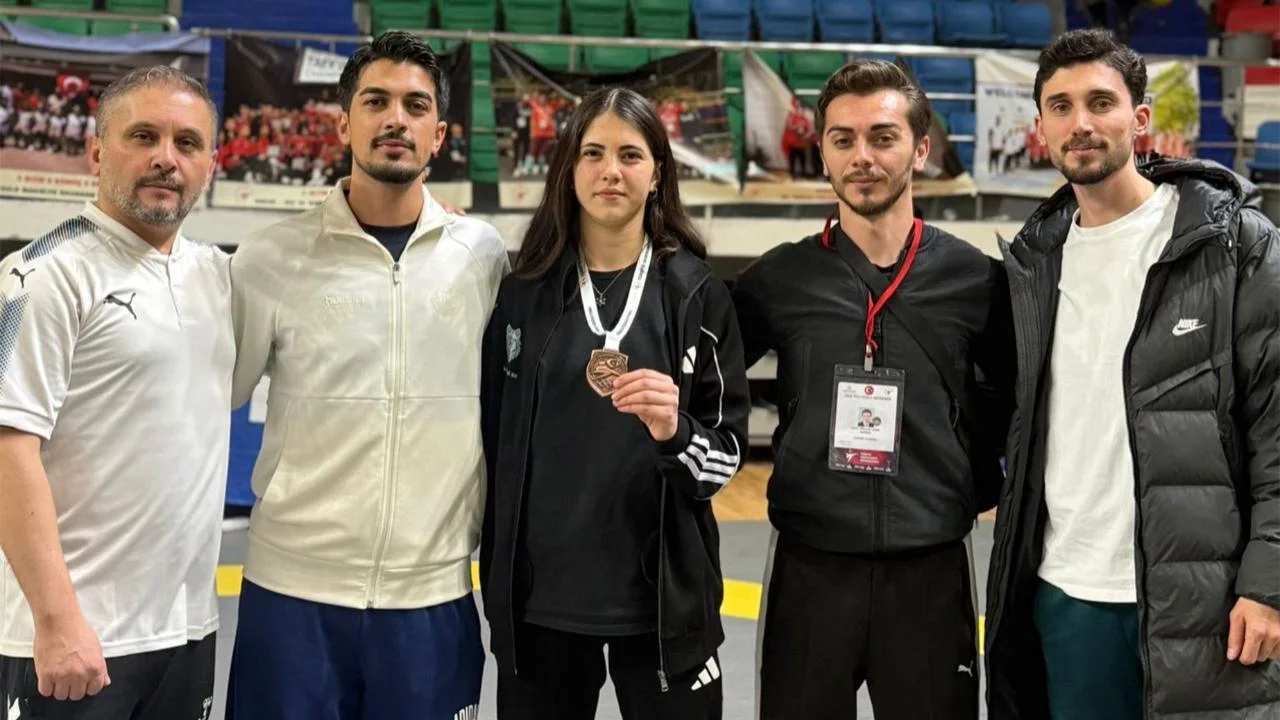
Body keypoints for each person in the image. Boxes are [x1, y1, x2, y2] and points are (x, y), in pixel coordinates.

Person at [985, 29, 1280, 720]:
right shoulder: (1033, 263)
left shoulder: (1233, 244)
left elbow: (1276, 426)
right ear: (1040, 127)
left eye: (1100, 102)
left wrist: (1268, 583)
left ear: (1140, 118)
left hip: (1207, 603)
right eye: (1060, 106)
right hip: (1069, 595)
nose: (1080, 123)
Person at [226, 31, 508, 720]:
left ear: (439, 135)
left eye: (416, 106)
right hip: (291, 595)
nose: (395, 120)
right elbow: (207, 400)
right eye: (376, 102)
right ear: (343, 124)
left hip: (431, 597)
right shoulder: (269, 258)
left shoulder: (483, 257)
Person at [731, 59, 1015, 720]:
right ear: (823, 154)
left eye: (883, 138)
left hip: (931, 573)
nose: (862, 156)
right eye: (843, 139)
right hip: (810, 569)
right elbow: (706, 388)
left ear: (921, 151)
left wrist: (975, 486)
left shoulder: (977, 283)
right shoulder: (778, 281)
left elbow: (1017, 405)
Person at [479, 87, 750, 720]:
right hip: (540, 605)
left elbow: (726, 458)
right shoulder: (522, 294)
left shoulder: (697, 296)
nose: (610, 171)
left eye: (630, 155)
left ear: (657, 174)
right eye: (593, 153)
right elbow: (490, 434)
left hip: (661, 610)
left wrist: (675, 432)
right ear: (569, 169)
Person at [0, 66, 230, 719]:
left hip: (185, 632)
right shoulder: (40, 275)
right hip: (74, 641)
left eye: (188, 143)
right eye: (144, 136)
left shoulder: (217, 276)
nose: (166, 159)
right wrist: (57, 620)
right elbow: (7, 449)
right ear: (97, 152)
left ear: (211, 165)